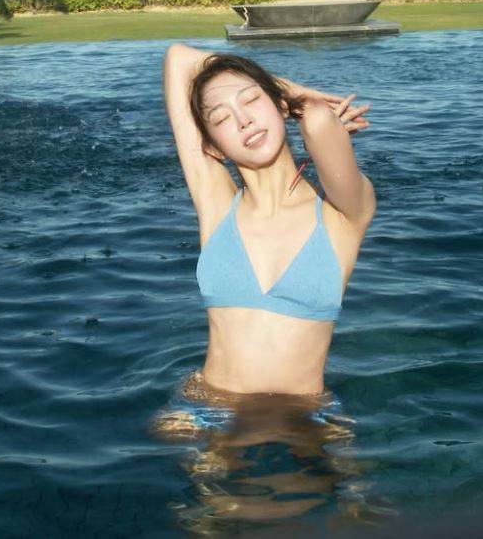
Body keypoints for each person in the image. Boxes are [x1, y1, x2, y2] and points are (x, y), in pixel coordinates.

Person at [161, 43, 376, 397]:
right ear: (213, 147)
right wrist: (283, 91)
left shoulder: (342, 216)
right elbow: (177, 58)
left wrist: (294, 98)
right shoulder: (217, 206)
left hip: (303, 415)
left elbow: (318, 121)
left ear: (281, 107)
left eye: (251, 100)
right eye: (222, 118)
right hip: (207, 408)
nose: (243, 120)